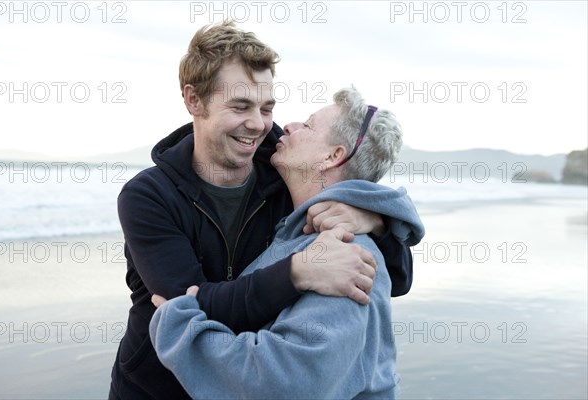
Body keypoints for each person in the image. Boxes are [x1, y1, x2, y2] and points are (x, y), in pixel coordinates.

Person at [109, 21, 413, 399]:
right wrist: (298, 272)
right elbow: (187, 308)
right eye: (240, 106)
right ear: (194, 100)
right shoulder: (148, 196)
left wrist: (375, 221)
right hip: (157, 388)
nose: (258, 124)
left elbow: (394, 277)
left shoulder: (288, 172)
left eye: (266, 107)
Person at [149, 87, 425, 399]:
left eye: (308, 125)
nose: (289, 125)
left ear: (333, 156)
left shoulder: (344, 256)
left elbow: (283, 384)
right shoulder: (297, 226)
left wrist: (180, 328)